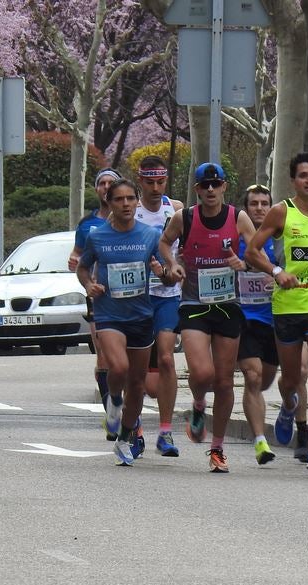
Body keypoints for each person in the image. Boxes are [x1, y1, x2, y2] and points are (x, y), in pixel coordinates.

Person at [245, 152, 308, 474]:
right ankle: (288, 407)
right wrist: (276, 271)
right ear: (294, 180)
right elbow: (252, 251)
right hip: (288, 307)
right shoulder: (280, 212)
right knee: (291, 379)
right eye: (303, 175)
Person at [159, 162, 257, 473]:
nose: (211, 190)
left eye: (216, 184)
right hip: (193, 305)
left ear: (225, 187)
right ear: (197, 189)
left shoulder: (237, 217)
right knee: (202, 373)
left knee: (225, 381)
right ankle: (199, 403)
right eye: (205, 185)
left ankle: (217, 449)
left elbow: (255, 251)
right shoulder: (184, 217)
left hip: (228, 305)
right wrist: (173, 264)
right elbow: (163, 242)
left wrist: (243, 262)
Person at [76, 178, 164, 466]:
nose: (125, 204)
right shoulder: (98, 236)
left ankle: (125, 438)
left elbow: (166, 268)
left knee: (137, 384)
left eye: (130, 199)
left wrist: (165, 271)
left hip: (141, 315)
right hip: (109, 314)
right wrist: (89, 284)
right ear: (110, 203)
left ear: (137, 201)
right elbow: (83, 267)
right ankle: (113, 398)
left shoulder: (150, 234)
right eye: (119, 199)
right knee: (119, 367)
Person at [134, 155, 184, 458]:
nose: (155, 187)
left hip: (168, 295)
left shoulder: (175, 210)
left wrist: (175, 270)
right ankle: (135, 425)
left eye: (160, 182)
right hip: (138, 298)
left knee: (166, 359)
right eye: (149, 182)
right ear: (140, 181)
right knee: (137, 368)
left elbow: (186, 249)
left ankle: (165, 431)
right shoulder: (130, 212)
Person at [236, 183, 281, 465]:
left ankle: (288, 409)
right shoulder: (235, 237)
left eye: (265, 203)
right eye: (254, 204)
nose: (260, 208)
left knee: (265, 380)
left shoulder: (279, 238)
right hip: (244, 315)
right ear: (246, 208)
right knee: (251, 377)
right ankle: (260, 441)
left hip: (275, 316)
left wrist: (276, 276)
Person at [71, 168, 121, 406]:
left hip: (129, 295)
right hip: (98, 294)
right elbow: (77, 255)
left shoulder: (134, 220)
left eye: (112, 182)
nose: (106, 186)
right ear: (96, 189)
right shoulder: (87, 224)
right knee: (102, 351)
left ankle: (121, 396)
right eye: (102, 183)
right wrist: (75, 262)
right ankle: (109, 408)